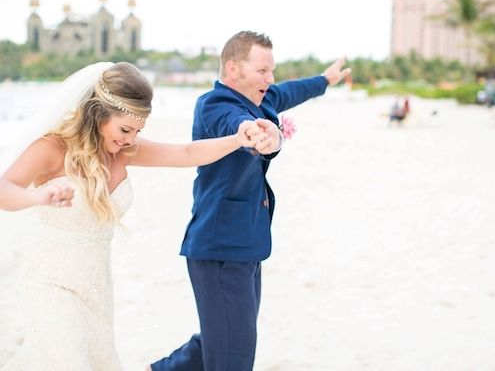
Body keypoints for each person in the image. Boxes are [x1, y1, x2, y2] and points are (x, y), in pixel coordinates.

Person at [0, 61, 266, 371]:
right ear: (98, 114)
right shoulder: (51, 148)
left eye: (138, 131)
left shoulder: (124, 151)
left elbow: (185, 154)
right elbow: (4, 187)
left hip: (96, 287)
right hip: (51, 283)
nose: (130, 139)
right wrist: (37, 196)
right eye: (125, 129)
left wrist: (237, 140)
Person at [150, 31, 351, 371]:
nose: (270, 79)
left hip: (245, 243)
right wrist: (257, 135)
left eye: (271, 71)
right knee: (234, 353)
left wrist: (325, 80)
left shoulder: (262, 98)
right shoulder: (215, 105)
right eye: (262, 71)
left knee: (224, 337)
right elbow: (239, 126)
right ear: (233, 70)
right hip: (220, 247)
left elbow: (291, 91)